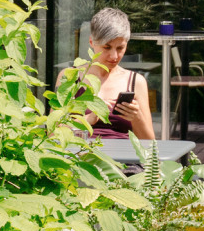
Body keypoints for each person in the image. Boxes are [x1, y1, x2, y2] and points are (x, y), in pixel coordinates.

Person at [64, 7, 156, 140]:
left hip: (124, 157)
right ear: (91, 42)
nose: (114, 56)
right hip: (79, 155)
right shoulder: (70, 77)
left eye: (120, 48)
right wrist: (88, 119)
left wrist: (136, 118)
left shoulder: (137, 82)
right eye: (107, 47)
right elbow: (52, 133)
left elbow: (151, 144)